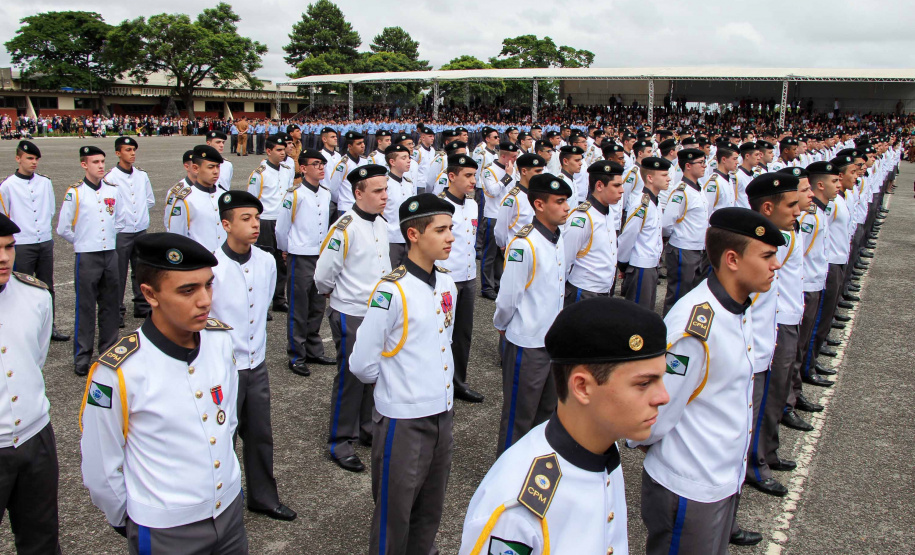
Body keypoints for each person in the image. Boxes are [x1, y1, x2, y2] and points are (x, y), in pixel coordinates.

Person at [80, 232, 248, 554]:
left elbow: (227, 423)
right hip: (165, 530)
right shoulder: (117, 372)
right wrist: (133, 519)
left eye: (208, 285)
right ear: (150, 294)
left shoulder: (220, 340)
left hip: (228, 513)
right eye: (188, 290)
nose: (205, 300)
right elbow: (101, 466)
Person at [459, 296, 668, 555]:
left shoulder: (601, 444)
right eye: (644, 383)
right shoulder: (518, 508)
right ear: (582, 387)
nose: (664, 397)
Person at [633, 207, 785, 555]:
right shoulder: (696, 326)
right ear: (732, 259)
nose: (776, 264)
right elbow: (656, 410)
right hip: (690, 484)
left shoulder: (736, 306)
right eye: (766, 256)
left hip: (720, 477)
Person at [350, 193, 457, 554]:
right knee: (394, 517)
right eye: (440, 230)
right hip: (403, 419)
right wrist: (398, 387)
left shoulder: (446, 283)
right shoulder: (390, 291)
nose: (450, 237)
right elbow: (362, 363)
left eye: (450, 229)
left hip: (441, 413)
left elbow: (443, 341)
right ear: (413, 234)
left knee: (430, 510)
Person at [209, 191, 296, 522]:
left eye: (257, 218)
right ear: (226, 224)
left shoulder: (267, 261)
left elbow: (261, 310)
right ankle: (220, 500)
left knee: (260, 434)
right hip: (222, 367)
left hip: (255, 364)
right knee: (222, 437)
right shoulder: (212, 268)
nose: (255, 225)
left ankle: (263, 496)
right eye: (245, 219)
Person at [315, 164, 391, 472]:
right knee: (349, 379)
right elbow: (323, 275)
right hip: (351, 312)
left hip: (376, 313)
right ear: (358, 193)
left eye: (386, 189)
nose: (385, 195)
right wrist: (337, 298)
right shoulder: (344, 227)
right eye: (377, 191)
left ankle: (365, 427)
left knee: (371, 374)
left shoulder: (381, 224)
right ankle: (340, 441)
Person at [494, 173, 572, 454]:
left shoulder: (557, 237)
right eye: (560, 202)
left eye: (567, 201)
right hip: (527, 344)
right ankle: (505, 479)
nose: (566, 208)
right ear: (539, 204)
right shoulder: (523, 244)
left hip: (551, 342)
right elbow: (508, 298)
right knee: (519, 417)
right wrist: (501, 325)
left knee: (546, 414)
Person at [0, 212, 62, 554]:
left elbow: (35, 359)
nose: (4, 257)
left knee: (41, 538)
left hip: (35, 437)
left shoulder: (36, 295)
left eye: (9, 247)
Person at [56, 145, 119, 376]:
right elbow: (63, 228)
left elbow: (118, 221)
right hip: (88, 255)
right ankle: (83, 356)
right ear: (84, 164)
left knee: (110, 305)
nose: (101, 166)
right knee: (85, 307)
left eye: (103, 161)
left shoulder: (113, 190)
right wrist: (82, 241)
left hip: (110, 253)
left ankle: (109, 350)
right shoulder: (76, 192)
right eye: (95, 162)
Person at [0, 140, 69, 341]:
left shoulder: (44, 182)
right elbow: (4, 216)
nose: (34, 162)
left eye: (36, 159)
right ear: (18, 158)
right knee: (19, 287)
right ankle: (21, 327)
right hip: (22, 243)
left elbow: (49, 210)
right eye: (29, 158)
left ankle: (50, 326)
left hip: (44, 241)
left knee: (47, 285)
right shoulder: (7, 186)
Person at [277, 149, 335, 377]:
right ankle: (296, 355)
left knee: (318, 305)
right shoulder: (294, 195)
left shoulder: (326, 193)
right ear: (303, 168)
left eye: (322, 164)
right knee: (299, 307)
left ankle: (313, 349)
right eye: (315, 164)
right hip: (300, 256)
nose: (321, 167)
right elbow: (281, 228)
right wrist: (285, 249)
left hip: (320, 255)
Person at [438, 154, 484, 403]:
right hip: (446, 278)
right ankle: (438, 384)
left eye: (474, 175)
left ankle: (458, 383)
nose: (473, 181)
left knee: (463, 334)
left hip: (468, 276)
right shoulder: (438, 205)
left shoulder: (473, 205)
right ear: (452, 176)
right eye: (467, 175)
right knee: (441, 333)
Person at [793, 161, 839, 391]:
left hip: (815, 282)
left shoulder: (818, 211)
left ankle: (804, 375)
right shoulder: (809, 217)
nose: (838, 185)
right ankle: (797, 386)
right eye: (834, 181)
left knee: (806, 338)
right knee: (801, 342)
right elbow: (801, 255)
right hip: (807, 284)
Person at [105, 136, 155, 327]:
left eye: (134, 150)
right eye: (128, 150)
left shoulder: (141, 175)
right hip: (122, 231)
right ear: (118, 153)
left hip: (140, 228)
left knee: (141, 269)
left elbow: (149, 200)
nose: (132, 153)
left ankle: (142, 305)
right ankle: (117, 311)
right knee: (118, 273)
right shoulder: (110, 178)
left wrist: (139, 215)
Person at [563, 160, 625, 304]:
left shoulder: (606, 211)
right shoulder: (582, 218)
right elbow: (565, 260)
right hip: (584, 291)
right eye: (616, 185)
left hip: (603, 289)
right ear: (599, 185)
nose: (622, 190)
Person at [617, 157, 673, 309]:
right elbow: (628, 236)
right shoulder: (641, 204)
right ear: (650, 178)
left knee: (647, 310)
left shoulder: (655, 200)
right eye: (663, 175)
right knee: (637, 313)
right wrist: (622, 264)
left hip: (651, 264)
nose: (668, 178)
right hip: (641, 266)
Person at [661, 148, 710, 315]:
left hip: (698, 248)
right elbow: (667, 223)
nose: (704, 166)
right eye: (701, 163)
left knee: (693, 294)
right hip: (684, 248)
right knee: (679, 295)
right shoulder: (681, 192)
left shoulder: (698, 188)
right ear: (688, 165)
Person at [247, 135, 292, 312]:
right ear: (268, 151)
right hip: (266, 221)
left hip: (282, 219)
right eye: (279, 150)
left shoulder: (287, 169)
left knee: (282, 261)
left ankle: (279, 298)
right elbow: (252, 200)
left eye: (284, 150)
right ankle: (262, 304)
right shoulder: (259, 174)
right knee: (264, 262)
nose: (283, 153)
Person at [164, 145, 228, 253]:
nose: (216, 171)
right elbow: (176, 237)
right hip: (199, 261)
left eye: (218, 167)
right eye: (210, 167)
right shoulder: (185, 200)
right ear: (195, 168)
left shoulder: (224, 196)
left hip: (225, 262)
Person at [479, 143, 519, 298]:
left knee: (501, 254)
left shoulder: (512, 170)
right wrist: (507, 176)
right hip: (493, 216)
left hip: (508, 217)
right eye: (513, 157)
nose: (515, 159)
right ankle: (486, 287)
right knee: (489, 254)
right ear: (503, 156)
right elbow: (493, 191)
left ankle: (497, 283)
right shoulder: (489, 170)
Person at [382, 144, 415, 267]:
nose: (408, 160)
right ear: (392, 162)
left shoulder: (409, 183)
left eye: (409, 157)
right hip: (391, 238)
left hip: (408, 237)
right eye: (403, 158)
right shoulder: (385, 185)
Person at [329, 131, 369, 215]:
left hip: (362, 206)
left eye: (363, 143)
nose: (363, 146)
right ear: (350, 146)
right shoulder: (343, 164)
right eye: (359, 144)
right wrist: (342, 201)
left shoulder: (364, 161)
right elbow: (333, 188)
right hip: (347, 207)